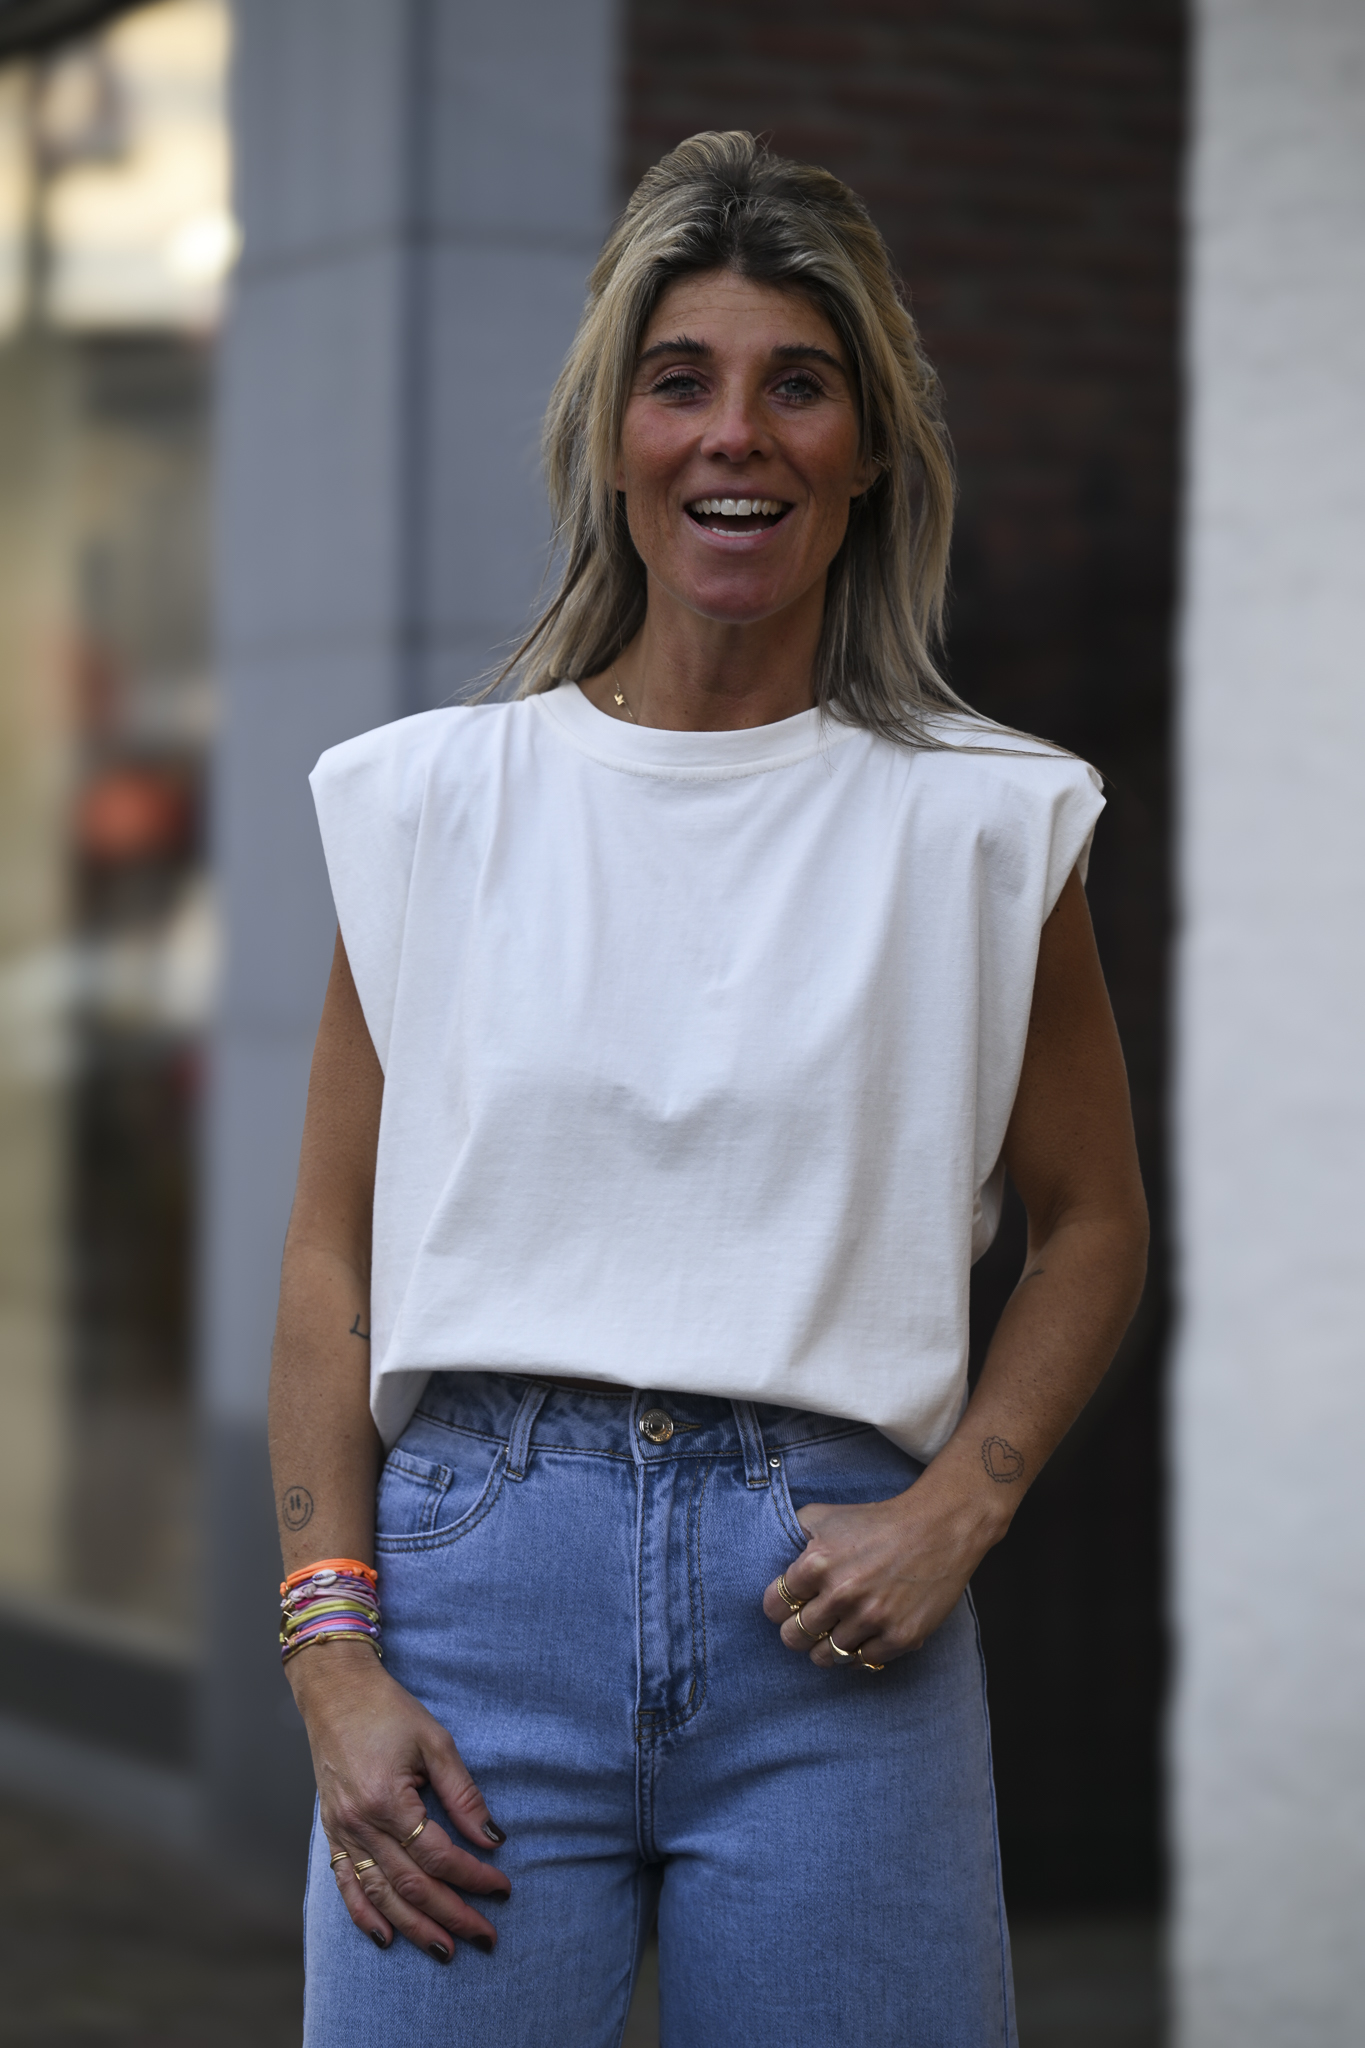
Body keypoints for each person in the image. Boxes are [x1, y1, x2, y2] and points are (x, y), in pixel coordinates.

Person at [269, 130, 1148, 2048]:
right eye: (680, 382)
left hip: (836, 1630)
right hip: (471, 1610)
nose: (733, 436)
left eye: (796, 384)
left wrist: (963, 1506)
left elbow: (1090, 1223)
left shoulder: (989, 827)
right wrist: (331, 1648)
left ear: (871, 447)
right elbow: (331, 1258)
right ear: (611, 438)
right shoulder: (425, 804)